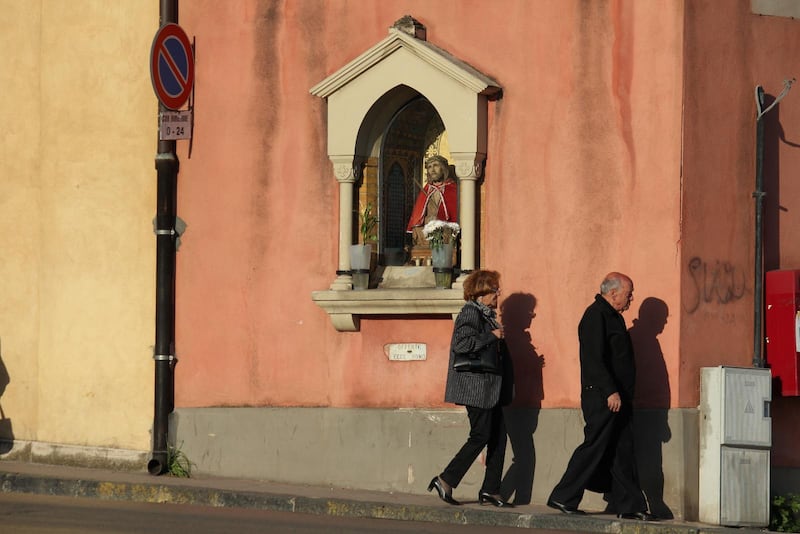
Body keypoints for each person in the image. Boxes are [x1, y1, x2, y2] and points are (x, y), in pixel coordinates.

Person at [546, 272, 657, 521]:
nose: (631, 298)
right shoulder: (595, 316)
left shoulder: (612, 317)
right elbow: (594, 360)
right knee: (594, 445)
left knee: (622, 449)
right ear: (613, 292)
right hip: (603, 396)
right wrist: (610, 391)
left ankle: (630, 504)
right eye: (629, 293)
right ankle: (563, 496)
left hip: (618, 398)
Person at [428, 270, 514, 508]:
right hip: (476, 388)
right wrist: (491, 336)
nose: (498, 294)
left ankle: (491, 490)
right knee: (481, 435)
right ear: (482, 292)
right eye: (495, 290)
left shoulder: (486, 316)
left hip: (490, 388)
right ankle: (445, 479)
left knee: (498, 436)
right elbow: (461, 344)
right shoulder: (470, 312)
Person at [406, 155, 458, 249]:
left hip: (445, 226)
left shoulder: (452, 188)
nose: (432, 170)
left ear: (443, 168)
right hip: (427, 225)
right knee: (418, 230)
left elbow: (454, 214)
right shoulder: (426, 190)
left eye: (436, 165)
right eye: (429, 167)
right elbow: (418, 215)